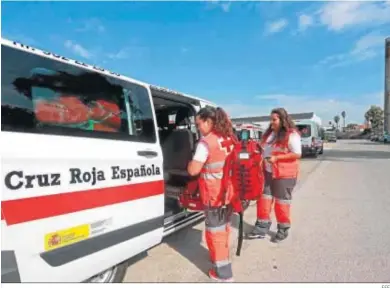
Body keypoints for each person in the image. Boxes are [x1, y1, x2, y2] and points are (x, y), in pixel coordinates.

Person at [187, 106, 237, 282]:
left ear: (208, 122)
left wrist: (188, 163)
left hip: (213, 194)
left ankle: (223, 273)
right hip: (229, 192)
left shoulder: (206, 143)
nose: (198, 128)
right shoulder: (229, 138)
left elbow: (194, 170)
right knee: (223, 227)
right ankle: (221, 256)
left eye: (198, 124)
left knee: (214, 230)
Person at [247, 108, 302, 242]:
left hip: (284, 174)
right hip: (267, 172)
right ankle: (261, 227)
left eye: (274, 120)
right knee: (264, 199)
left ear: (283, 120)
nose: (271, 123)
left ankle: (283, 229)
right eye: (270, 119)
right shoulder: (269, 134)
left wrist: (277, 159)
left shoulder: (291, 134)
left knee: (281, 202)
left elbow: (297, 154)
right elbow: (263, 148)